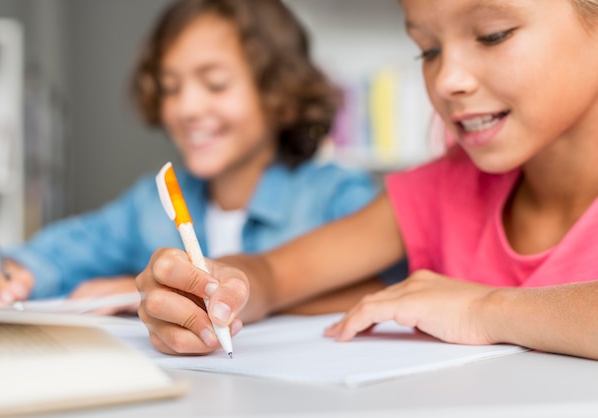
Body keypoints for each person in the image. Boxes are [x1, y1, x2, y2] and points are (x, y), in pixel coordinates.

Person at [135, 0, 598, 361]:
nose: (446, 81)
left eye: (492, 35)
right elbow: (274, 276)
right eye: (428, 50)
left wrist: (483, 310)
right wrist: (218, 287)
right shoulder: (438, 191)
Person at [0, 0, 399, 311]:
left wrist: (148, 291)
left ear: (281, 96)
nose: (187, 108)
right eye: (171, 87)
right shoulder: (149, 203)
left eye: (215, 84)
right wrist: (11, 272)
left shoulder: (337, 196)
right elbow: (68, 250)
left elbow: (387, 295)